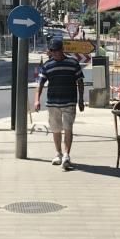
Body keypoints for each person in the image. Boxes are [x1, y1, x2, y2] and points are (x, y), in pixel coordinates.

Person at [33, 39, 85, 168]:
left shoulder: (73, 63)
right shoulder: (47, 65)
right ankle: (58, 154)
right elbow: (40, 83)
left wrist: (81, 99)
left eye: (56, 50)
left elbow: (80, 82)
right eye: (52, 51)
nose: (54, 53)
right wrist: (36, 100)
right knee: (56, 129)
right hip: (53, 103)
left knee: (68, 128)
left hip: (69, 101)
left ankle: (66, 155)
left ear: (62, 49)